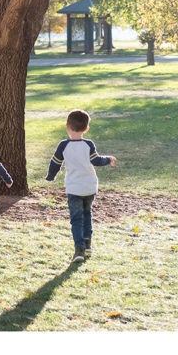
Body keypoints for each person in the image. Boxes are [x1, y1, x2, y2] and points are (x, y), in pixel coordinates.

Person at [45, 109, 117, 262]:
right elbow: (96, 160)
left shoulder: (63, 145)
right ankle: (87, 244)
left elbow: (55, 163)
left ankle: (79, 249)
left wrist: (50, 177)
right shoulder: (88, 144)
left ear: (67, 126)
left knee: (76, 218)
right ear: (86, 129)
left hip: (74, 188)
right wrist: (108, 159)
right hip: (90, 186)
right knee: (87, 214)